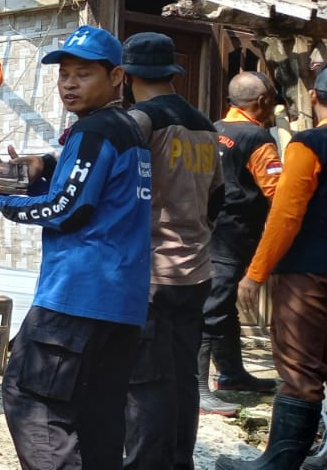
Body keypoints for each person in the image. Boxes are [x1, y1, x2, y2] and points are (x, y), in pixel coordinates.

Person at [0, 25, 152, 470]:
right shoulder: (127, 130)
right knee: (98, 414)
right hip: (121, 301)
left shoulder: (96, 131)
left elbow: (68, 209)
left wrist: (2, 199)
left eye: (83, 74)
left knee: (33, 399)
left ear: (117, 76)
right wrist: (43, 165)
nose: (69, 83)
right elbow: (93, 191)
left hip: (77, 294)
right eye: (64, 74)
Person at [217, 66, 327, 470]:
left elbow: (286, 216)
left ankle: (281, 460)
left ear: (314, 98)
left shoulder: (309, 144)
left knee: (299, 367)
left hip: (308, 274)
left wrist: (255, 274)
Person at [119, 34, 223, 470]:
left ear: (125, 75)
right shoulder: (204, 125)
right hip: (197, 270)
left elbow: (121, 194)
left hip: (152, 272)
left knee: (145, 383)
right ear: (170, 72)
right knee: (183, 377)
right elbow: (217, 197)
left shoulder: (140, 121)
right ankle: (181, 462)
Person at [203, 73, 284, 416]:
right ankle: (197, 392)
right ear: (263, 102)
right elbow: (277, 190)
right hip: (233, 235)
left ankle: (232, 374)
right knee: (211, 309)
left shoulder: (211, 129)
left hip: (205, 229)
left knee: (221, 306)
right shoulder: (257, 137)